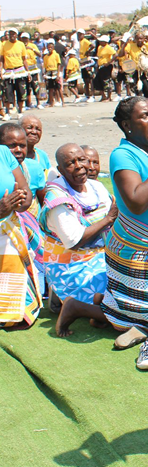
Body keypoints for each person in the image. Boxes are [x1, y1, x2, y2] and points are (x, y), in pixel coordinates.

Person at [56, 98, 148, 360]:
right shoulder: (123, 155)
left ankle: (127, 319)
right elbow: (137, 202)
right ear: (127, 125)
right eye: (145, 116)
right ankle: (78, 308)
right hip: (137, 249)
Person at [40, 144, 115, 335]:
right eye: (70, 163)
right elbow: (74, 241)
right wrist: (108, 219)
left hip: (99, 256)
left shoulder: (96, 187)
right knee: (125, 300)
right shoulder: (58, 199)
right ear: (61, 170)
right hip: (71, 266)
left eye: (81, 159)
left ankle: (95, 313)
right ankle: (74, 306)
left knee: (130, 280)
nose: (80, 166)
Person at [0, 128, 37, 329]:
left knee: (14, 312)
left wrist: (16, 202)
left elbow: (25, 192)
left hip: (7, 229)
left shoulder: (4, 154)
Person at [1, 28, 31, 120]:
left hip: (19, 71)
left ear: (16, 35)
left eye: (13, 34)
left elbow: (24, 59)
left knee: (21, 92)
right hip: (8, 71)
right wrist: (1, 70)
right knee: (8, 93)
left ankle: (20, 111)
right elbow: (2, 59)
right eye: (10, 34)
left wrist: (28, 72)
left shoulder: (21, 44)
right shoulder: (4, 44)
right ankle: (7, 112)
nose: (12, 35)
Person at [20, 115, 49, 206]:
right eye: (29, 128)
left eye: (38, 129)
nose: (34, 132)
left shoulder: (42, 155)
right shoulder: (12, 157)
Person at [20, 32, 43, 110]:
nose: (24, 40)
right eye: (23, 38)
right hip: (23, 69)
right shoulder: (20, 46)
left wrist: (32, 49)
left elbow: (39, 55)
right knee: (26, 87)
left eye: (26, 38)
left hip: (33, 68)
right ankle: (28, 104)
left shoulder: (32, 45)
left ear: (28, 39)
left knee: (35, 86)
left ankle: (38, 103)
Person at [94, 35, 116, 102]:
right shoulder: (100, 47)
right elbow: (99, 57)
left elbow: (115, 55)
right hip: (100, 66)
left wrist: (109, 62)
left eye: (102, 41)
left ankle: (109, 97)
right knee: (98, 81)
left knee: (107, 81)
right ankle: (103, 96)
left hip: (106, 67)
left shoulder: (108, 48)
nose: (100, 42)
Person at [43, 40, 63, 107]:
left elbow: (59, 64)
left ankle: (62, 101)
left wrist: (58, 74)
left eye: (51, 47)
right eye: (48, 47)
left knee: (58, 88)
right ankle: (51, 102)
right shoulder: (46, 57)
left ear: (53, 48)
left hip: (55, 72)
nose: (49, 49)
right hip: (49, 73)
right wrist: (45, 74)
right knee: (50, 89)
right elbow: (45, 67)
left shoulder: (56, 55)